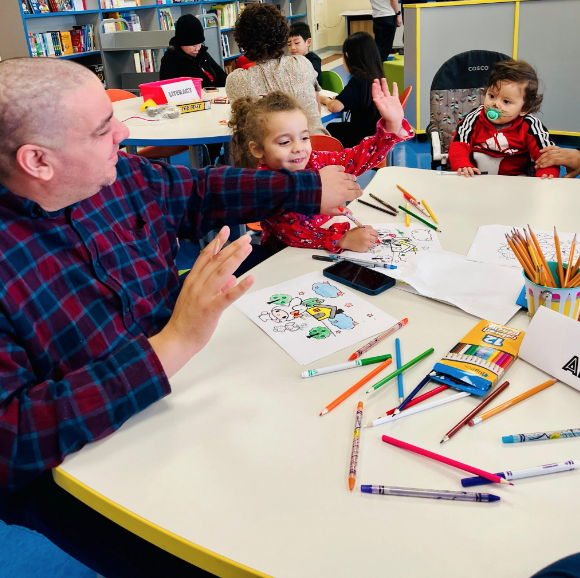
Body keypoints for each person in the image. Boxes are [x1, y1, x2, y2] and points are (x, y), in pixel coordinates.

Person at [0, 58, 362, 577]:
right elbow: (12, 439)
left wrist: (305, 189)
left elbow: (195, 190)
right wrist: (173, 344)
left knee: (310, 464)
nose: (125, 131)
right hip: (86, 461)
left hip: (184, 384)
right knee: (237, 551)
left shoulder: (118, 175)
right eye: (105, 128)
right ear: (38, 161)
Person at [229, 80, 413, 253]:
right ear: (258, 149)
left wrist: (391, 127)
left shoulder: (313, 161)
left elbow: (354, 160)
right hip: (285, 257)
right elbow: (293, 234)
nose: (299, 149)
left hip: (324, 244)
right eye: (285, 142)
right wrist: (342, 240)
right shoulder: (267, 185)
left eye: (304, 138)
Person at [226, 3, 326, 136]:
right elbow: (315, 109)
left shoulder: (237, 80)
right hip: (320, 148)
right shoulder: (302, 63)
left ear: (242, 41)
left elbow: (245, 132)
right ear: (283, 35)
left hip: (273, 155)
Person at [448, 60, 559, 178]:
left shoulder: (531, 125)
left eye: (506, 101)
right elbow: (459, 143)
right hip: (477, 177)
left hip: (516, 180)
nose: (495, 104)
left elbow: (547, 155)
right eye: (491, 96)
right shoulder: (474, 118)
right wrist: (463, 165)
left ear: (524, 108)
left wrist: (546, 175)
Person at [320, 31, 389, 148]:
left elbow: (334, 107)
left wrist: (325, 100)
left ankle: (343, 162)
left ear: (347, 56)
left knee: (331, 128)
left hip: (363, 139)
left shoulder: (358, 80)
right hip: (378, 135)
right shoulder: (376, 75)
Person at [159, 14, 226, 87]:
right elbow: (169, 89)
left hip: (215, 95)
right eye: (193, 45)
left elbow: (222, 76)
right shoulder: (170, 60)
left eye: (199, 43)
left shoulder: (202, 54)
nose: (197, 48)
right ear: (182, 44)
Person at [288, 21, 322, 87]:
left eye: (297, 43)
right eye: (289, 44)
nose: (292, 47)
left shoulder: (314, 59)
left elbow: (310, 77)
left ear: (308, 42)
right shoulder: (291, 60)